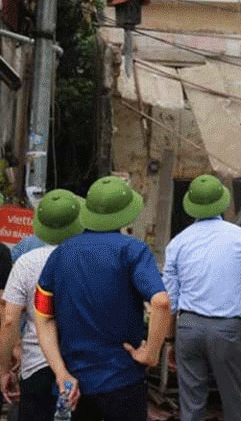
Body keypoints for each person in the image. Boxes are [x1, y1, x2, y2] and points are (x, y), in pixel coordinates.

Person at [34, 175, 171, 421]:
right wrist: (151, 353)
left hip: (72, 384)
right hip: (122, 381)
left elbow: (43, 318)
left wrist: (60, 372)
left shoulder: (60, 255)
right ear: (127, 214)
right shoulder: (133, 250)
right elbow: (161, 302)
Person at [162, 174, 241, 421]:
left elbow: (170, 299)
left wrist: (170, 340)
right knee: (236, 401)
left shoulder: (178, 243)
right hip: (226, 331)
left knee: (191, 405)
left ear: (191, 206)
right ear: (223, 203)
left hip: (188, 328)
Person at [0, 189, 84, 420]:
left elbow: (9, 319)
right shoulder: (88, 259)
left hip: (35, 364)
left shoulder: (26, 262)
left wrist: (4, 368)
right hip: (81, 364)